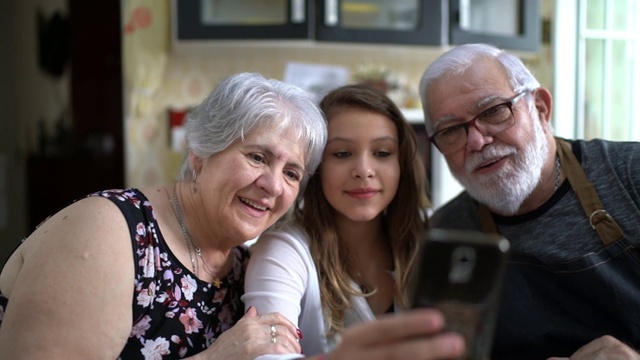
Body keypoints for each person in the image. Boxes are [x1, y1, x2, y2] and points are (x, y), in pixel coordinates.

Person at [0, 73, 464, 360]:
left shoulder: (240, 261)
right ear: (201, 153)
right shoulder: (109, 229)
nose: (273, 184)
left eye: (292, 172)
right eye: (258, 157)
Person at [419, 43, 640, 359]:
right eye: (451, 130)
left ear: (540, 107)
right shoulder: (448, 236)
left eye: (494, 111)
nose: (478, 141)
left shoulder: (631, 174)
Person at [242, 84, 452, 359]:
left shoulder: (434, 234)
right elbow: (266, 356)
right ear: (315, 168)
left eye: (382, 153)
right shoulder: (283, 250)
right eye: (342, 154)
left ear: (401, 164)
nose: (364, 171)